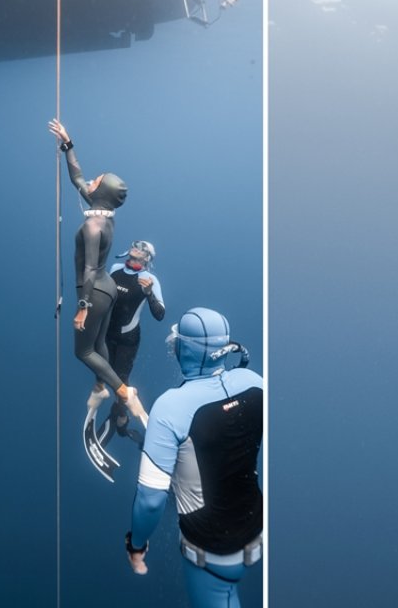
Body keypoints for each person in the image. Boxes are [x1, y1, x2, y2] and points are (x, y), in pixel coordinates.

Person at [126, 307, 262, 608]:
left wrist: (136, 545)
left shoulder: (169, 407)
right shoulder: (254, 381)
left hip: (215, 555)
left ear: (182, 349)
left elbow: (150, 501)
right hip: (257, 527)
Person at [48, 119, 146, 426]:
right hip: (107, 289)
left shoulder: (93, 225)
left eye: (96, 180)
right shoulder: (104, 211)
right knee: (99, 343)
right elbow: (77, 176)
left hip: (94, 292)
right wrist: (68, 144)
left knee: (83, 351)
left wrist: (83, 306)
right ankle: (100, 386)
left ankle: (124, 392)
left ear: (101, 191)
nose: (90, 181)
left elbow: (89, 267)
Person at [99, 240, 165, 448]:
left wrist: (149, 294)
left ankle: (120, 418)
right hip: (107, 333)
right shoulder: (115, 269)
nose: (137, 248)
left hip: (127, 339)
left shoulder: (149, 280)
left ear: (147, 258)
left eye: (143, 248)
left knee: (120, 380)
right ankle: (120, 412)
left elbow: (160, 314)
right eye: (135, 244)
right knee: (104, 373)